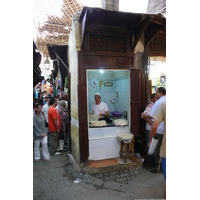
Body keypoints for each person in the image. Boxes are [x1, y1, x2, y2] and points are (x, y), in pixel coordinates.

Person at [148, 87, 166, 198]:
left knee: (155, 149)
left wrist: (150, 140)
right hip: (164, 132)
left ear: (160, 93)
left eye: (156, 92)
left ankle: (155, 167)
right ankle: (160, 168)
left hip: (161, 133)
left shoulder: (161, 103)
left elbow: (154, 124)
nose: (155, 94)